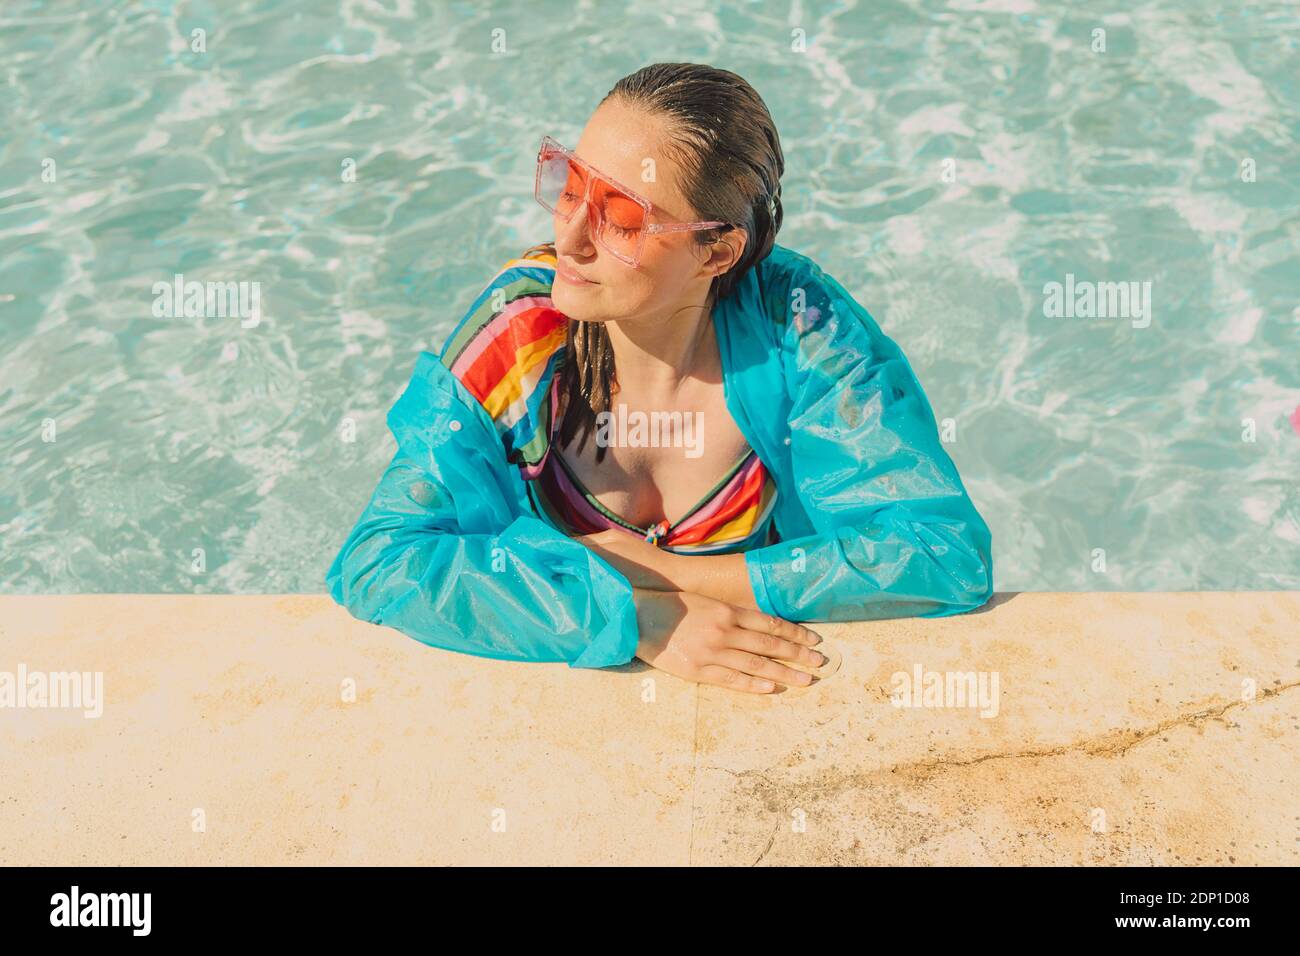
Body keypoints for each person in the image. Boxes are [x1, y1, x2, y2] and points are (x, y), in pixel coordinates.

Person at [326, 62, 994, 694]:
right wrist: (633, 616)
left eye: (621, 217)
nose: (571, 239)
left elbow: (943, 553)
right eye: (569, 185)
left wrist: (670, 573)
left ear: (719, 250)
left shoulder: (796, 327)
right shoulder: (522, 327)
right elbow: (382, 559)